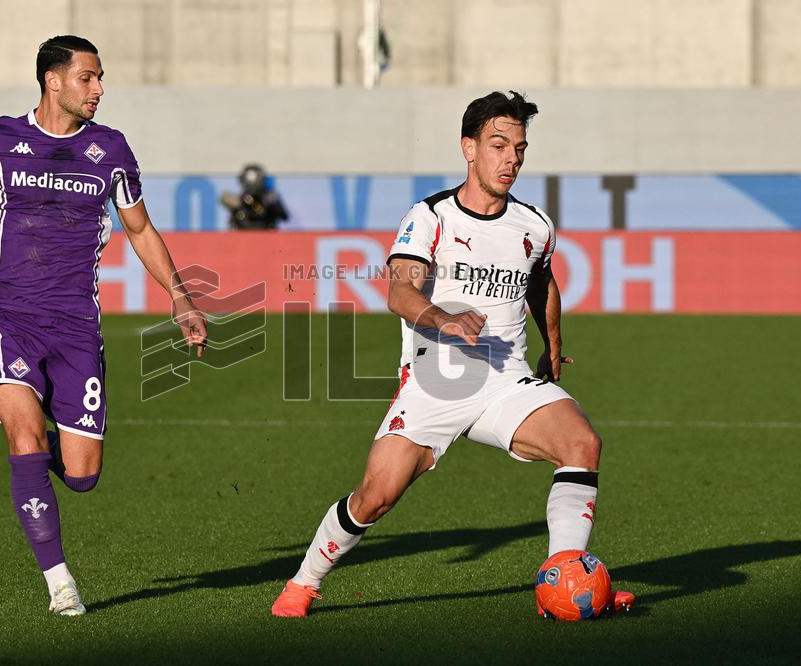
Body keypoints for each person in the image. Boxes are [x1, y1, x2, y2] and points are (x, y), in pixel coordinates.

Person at [0, 35, 207, 616]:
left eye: (100, 78)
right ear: (54, 81)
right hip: (6, 317)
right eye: (88, 78)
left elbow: (140, 230)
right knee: (24, 439)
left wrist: (180, 298)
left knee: (81, 476)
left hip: (77, 327)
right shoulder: (1, 139)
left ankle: (42, 451)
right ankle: (61, 584)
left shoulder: (111, 150)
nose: (99, 89)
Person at [271, 91, 633, 617]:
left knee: (582, 443)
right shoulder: (431, 216)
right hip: (434, 384)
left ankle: (563, 580)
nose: (511, 159)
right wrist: (445, 319)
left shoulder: (534, 226)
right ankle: (304, 582)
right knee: (375, 497)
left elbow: (543, 283)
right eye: (498, 145)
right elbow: (399, 292)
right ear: (469, 148)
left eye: (520, 148)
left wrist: (554, 348)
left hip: (506, 381)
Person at [220, 163, 289, 229]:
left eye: (257, 179)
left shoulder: (270, 199)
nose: (252, 185)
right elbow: (228, 200)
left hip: (266, 235)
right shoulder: (240, 200)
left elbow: (285, 216)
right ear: (242, 180)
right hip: (242, 236)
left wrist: (273, 204)